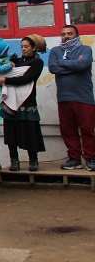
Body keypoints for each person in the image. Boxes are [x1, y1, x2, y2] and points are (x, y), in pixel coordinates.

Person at [0, 35, 46, 172]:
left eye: (26, 46)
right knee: (11, 132)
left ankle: (33, 160)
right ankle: (14, 160)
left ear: (34, 48)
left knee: (30, 132)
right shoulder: (14, 61)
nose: (23, 49)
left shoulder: (37, 62)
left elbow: (26, 78)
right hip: (10, 100)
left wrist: (6, 80)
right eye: (22, 46)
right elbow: (0, 73)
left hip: (27, 101)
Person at [47, 25, 95, 171]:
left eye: (70, 33)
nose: (66, 36)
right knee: (68, 130)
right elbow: (53, 68)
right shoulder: (55, 51)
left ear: (77, 35)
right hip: (64, 98)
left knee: (87, 129)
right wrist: (75, 65)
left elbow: (82, 65)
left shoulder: (85, 49)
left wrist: (62, 63)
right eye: (63, 34)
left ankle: (90, 158)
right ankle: (74, 159)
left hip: (84, 97)